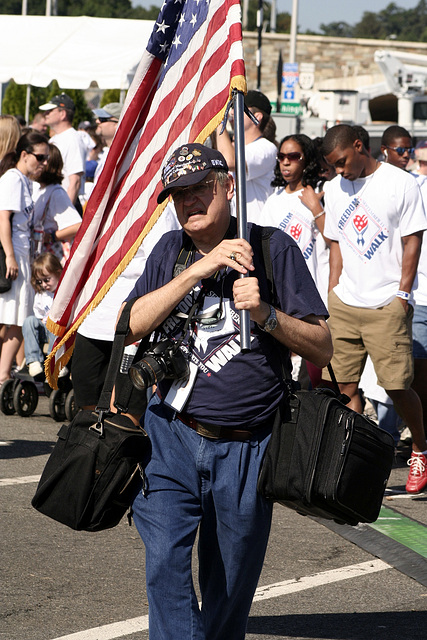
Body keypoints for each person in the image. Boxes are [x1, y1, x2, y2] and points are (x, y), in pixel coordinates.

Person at [120, 142, 332, 639]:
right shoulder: (170, 250)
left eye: (200, 189)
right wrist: (198, 269)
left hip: (247, 443)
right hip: (170, 432)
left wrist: (266, 315)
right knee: (165, 566)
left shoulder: (272, 248)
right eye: (178, 195)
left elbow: (322, 346)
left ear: (228, 187)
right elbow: (131, 325)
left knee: (230, 583)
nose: (188, 201)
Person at [321, 124, 427, 493]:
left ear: (359, 146)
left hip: (387, 303)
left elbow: (412, 240)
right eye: (333, 166)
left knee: (398, 386)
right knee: (345, 388)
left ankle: (418, 447)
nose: (339, 171)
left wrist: (403, 293)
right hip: (346, 303)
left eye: (342, 162)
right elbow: (334, 243)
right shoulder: (332, 188)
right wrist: (333, 291)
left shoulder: (401, 183)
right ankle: (350, 462)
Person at [381, 125, 427, 441]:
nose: (407, 156)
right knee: (408, 376)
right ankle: (394, 442)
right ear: (385, 150)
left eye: (410, 151)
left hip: (413, 294)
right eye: (402, 150)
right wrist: (402, 292)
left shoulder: (416, 185)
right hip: (414, 295)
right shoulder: (399, 186)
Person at [0, 131, 49, 383]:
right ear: (24, 154)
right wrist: (10, 256)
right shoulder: (13, 179)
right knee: (16, 320)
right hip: (15, 254)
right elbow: (3, 219)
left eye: (46, 158)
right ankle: (3, 375)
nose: (44, 163)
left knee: (14, 319)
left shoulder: (23, 180)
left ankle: (3, 373)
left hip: (22, 253)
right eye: (40, 157)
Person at [261, 133, 328, 304]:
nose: (286, 162)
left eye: (293, 156)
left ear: (307, 160)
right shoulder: (273, 200)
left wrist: (315, 207)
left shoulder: (322, 191)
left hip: (319, 287)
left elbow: (333, 239)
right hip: (285, 291)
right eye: (281, 156)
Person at [215, 90, 277, 223]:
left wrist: (219, 121)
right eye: (232, 107)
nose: (231, 112)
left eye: (238, 107)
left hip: (254, 231)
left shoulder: (266, 148)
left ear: (257, 116)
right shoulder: (231, 147)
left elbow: (229, 161)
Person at [33, 144, 82, 265]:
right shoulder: (40, 190)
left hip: (53, 259)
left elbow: (77, 225)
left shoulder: (56, 193)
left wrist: (51, 237)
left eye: (41, 159)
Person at [39, 94, 86, 215]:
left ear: (62, 114)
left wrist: (66, 216)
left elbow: (75, 181)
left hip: (65, 204)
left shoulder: (73, 139)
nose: (46, 114)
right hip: (55, 204)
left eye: (50, 111)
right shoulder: (56, 138)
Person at [22, 253, 62, 379]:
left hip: (60, 332)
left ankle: (53, 361)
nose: (44, 284)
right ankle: (34, 361)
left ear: (58, 273)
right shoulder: (41, 295)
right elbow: (39, 317)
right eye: (40, 281)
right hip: (45, 330)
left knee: (56, 323)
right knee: (29, 321)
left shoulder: (64, 293)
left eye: (47, 280)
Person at [92, 102, 122, 183]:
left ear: (117, 125)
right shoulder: (106, 153)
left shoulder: (120, 157)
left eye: (102, 119)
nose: (97, 121)